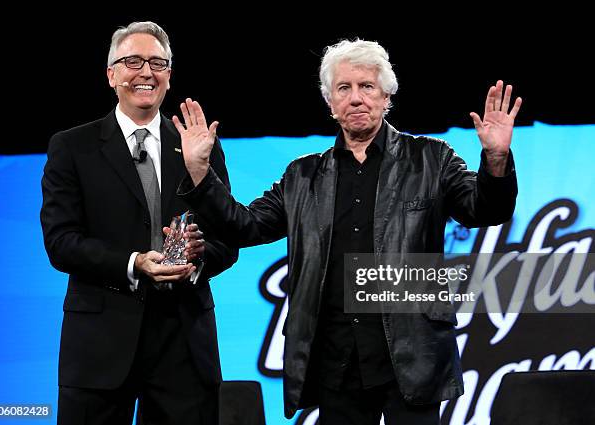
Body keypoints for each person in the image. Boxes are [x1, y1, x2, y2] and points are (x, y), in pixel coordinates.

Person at [174, 39, 521, 425]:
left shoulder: (431, 158)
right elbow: (244, 226)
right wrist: (201, 173)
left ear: (386, 94)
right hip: (334, 360)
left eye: (366, 87)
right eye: (344, 88)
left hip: (410, 354)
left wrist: (495, 158)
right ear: (330, 102)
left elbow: (485, 209)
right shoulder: (302, 176)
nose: (356, 98)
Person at [40, 21, 237, 425]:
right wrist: (134, 262)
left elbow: (226, 239)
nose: (146, 72)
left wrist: (195, 261)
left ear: (169, 75)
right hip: (99, 346)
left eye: (157, 63)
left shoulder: (197, 146)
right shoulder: (72, 147)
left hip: (184, 345)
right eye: (132, 61)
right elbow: (61, 241)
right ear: (111, 74)